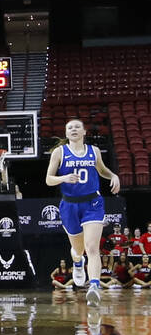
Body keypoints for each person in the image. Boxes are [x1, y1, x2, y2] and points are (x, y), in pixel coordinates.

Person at [46, 118, 121, 306]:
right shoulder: (59, 152)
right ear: (66, 133)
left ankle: (94, 287)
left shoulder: (94, 151)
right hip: (70, 205)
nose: (73, 129)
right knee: (78, 250)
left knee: (92, 248)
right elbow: (48, 179)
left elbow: (102, 170)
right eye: (70, 127)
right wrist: (64, 177)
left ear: (84, 132)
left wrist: (113, 175)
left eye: (77, 127)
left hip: (92, 203)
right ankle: (77, 263)